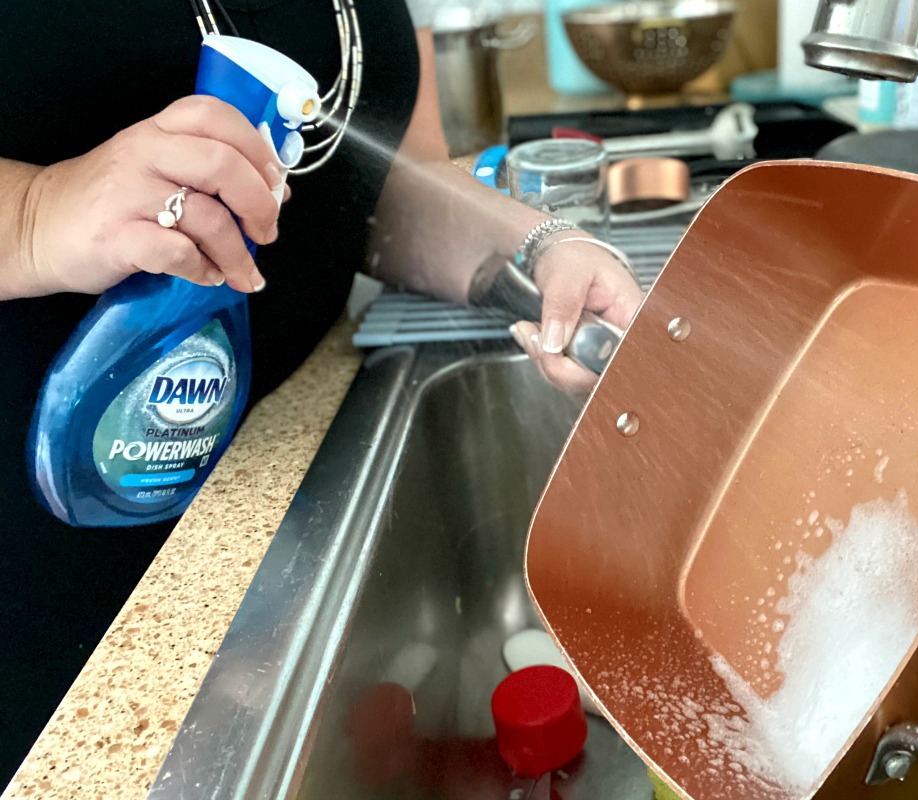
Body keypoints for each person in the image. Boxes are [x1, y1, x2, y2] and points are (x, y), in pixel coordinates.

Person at [0, 0, 643, 783]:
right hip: (52, 570)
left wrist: (539, 251)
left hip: (272, 475)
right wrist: (32, 211)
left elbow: (362, 187)